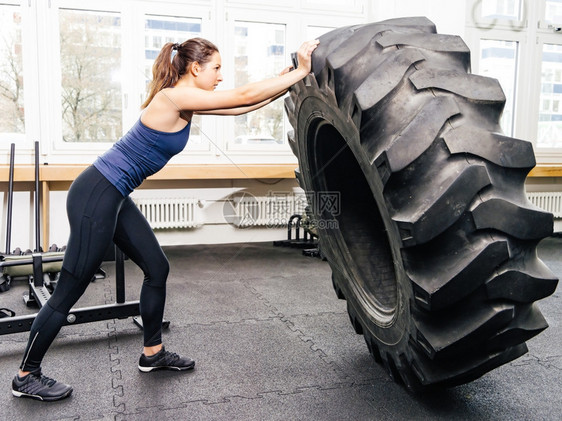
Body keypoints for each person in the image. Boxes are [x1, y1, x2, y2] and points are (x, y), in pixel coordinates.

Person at [11, 36, 319, 402]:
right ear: (195, 68)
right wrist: (299, 70)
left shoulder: (186, 101)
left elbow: (242, 107)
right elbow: (241, 96)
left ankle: (152, 353)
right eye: (217, 68)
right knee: (69, 290)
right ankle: (26, 375)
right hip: (96, 193)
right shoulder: (174, 97)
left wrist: (289, 80)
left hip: (115, 194)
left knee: (157, 267)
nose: (221, 76)